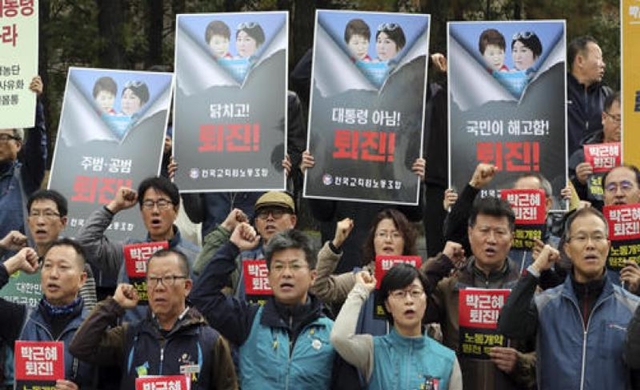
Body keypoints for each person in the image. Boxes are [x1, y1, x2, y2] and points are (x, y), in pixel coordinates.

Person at [498, 207, 640, 389]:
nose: (590, 245)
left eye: (597, 237)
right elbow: (508, 326)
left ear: (608, 246)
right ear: (568, 249)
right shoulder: (545, 304)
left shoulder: (632, 307)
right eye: (581, 238)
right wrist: (536, 269)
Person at [69, 249, 238, 390]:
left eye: (167, 279)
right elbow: (81, 347)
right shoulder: (130, 335)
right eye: (152, 280)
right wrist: (114, 305)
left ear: (187, 287)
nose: (158, 287)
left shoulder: (210, 340)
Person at [190, 228, 336, 389]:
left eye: (295, 266)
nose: (286, 274)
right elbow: (202, 295)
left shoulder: (331, 332)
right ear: (268, 277)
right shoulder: (248, 319)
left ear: (313, 276)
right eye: (278, 267)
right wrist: (232, 248)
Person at [426, 196, 536, 389]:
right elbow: (406, 297)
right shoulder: (449, 288)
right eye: (484, 231)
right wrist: (441, 262)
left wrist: (521, 363)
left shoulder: (527, 291)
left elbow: (549, 354)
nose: (491, 240)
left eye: (499, 232)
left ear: (511, 237)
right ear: (470, 234)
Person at [181, 90, 306, 241]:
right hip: (217, 216)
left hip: (260, 204)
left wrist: (284, 166)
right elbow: (196, 214)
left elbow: (297, 150)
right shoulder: (202, 102)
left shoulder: (282, 100)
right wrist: (184, 172)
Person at [75, 176, 200, 320]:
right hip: (132, 338)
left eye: (162, 203)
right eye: (148, 204)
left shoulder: (194, 257)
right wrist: (114, 206)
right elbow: (85, 241)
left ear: (176, 210)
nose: (155, 210)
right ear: (141, 211)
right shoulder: (129, 251)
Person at [331, 264, 462, 389]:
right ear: (387, 305)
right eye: (400, 294)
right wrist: (360, 290)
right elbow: (339, 337)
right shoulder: (373, 351)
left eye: (415, 292)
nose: (409, 300)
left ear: (426, 301)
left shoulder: (446, 359)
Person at [300, 150, 425, 273]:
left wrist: (416, 181)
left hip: (389, 268)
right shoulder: (333, 159)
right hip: (343, 261)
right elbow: (321, 213)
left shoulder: (394, 161)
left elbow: (414, 214)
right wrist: (311, 177)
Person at [0, 239, 96, 389]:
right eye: (48, 266)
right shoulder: (22, 318)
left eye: (63, 267)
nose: (53, 274)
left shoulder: (95, 328)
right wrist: (12, 265)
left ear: (82, 279)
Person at [192, 191, 296, 300]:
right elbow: (201, 269)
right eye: (263, 214)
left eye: (277, 213)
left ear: (292, 221)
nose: (270, 218)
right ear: (256, 223)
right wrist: (226, 228)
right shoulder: (243, 259)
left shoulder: (305, 258)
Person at [0, 76, 47, 240]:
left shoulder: (26, 176)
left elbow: (36, 146)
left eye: (3, 138)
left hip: (18, 262)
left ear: (18, 145)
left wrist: (34, 104)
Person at [570, 91, 622, 209]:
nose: (623, 126)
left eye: (629, 120)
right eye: (618, 119)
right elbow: (566, 200)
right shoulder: (582, 155)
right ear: (604, 117)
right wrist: (578, 182)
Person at [567, 36, 611, 155]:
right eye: (598, 58)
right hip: (563, 169)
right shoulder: (558, 91)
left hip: (598, 168)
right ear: (580, 60)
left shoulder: (606, 95)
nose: (603, 65)